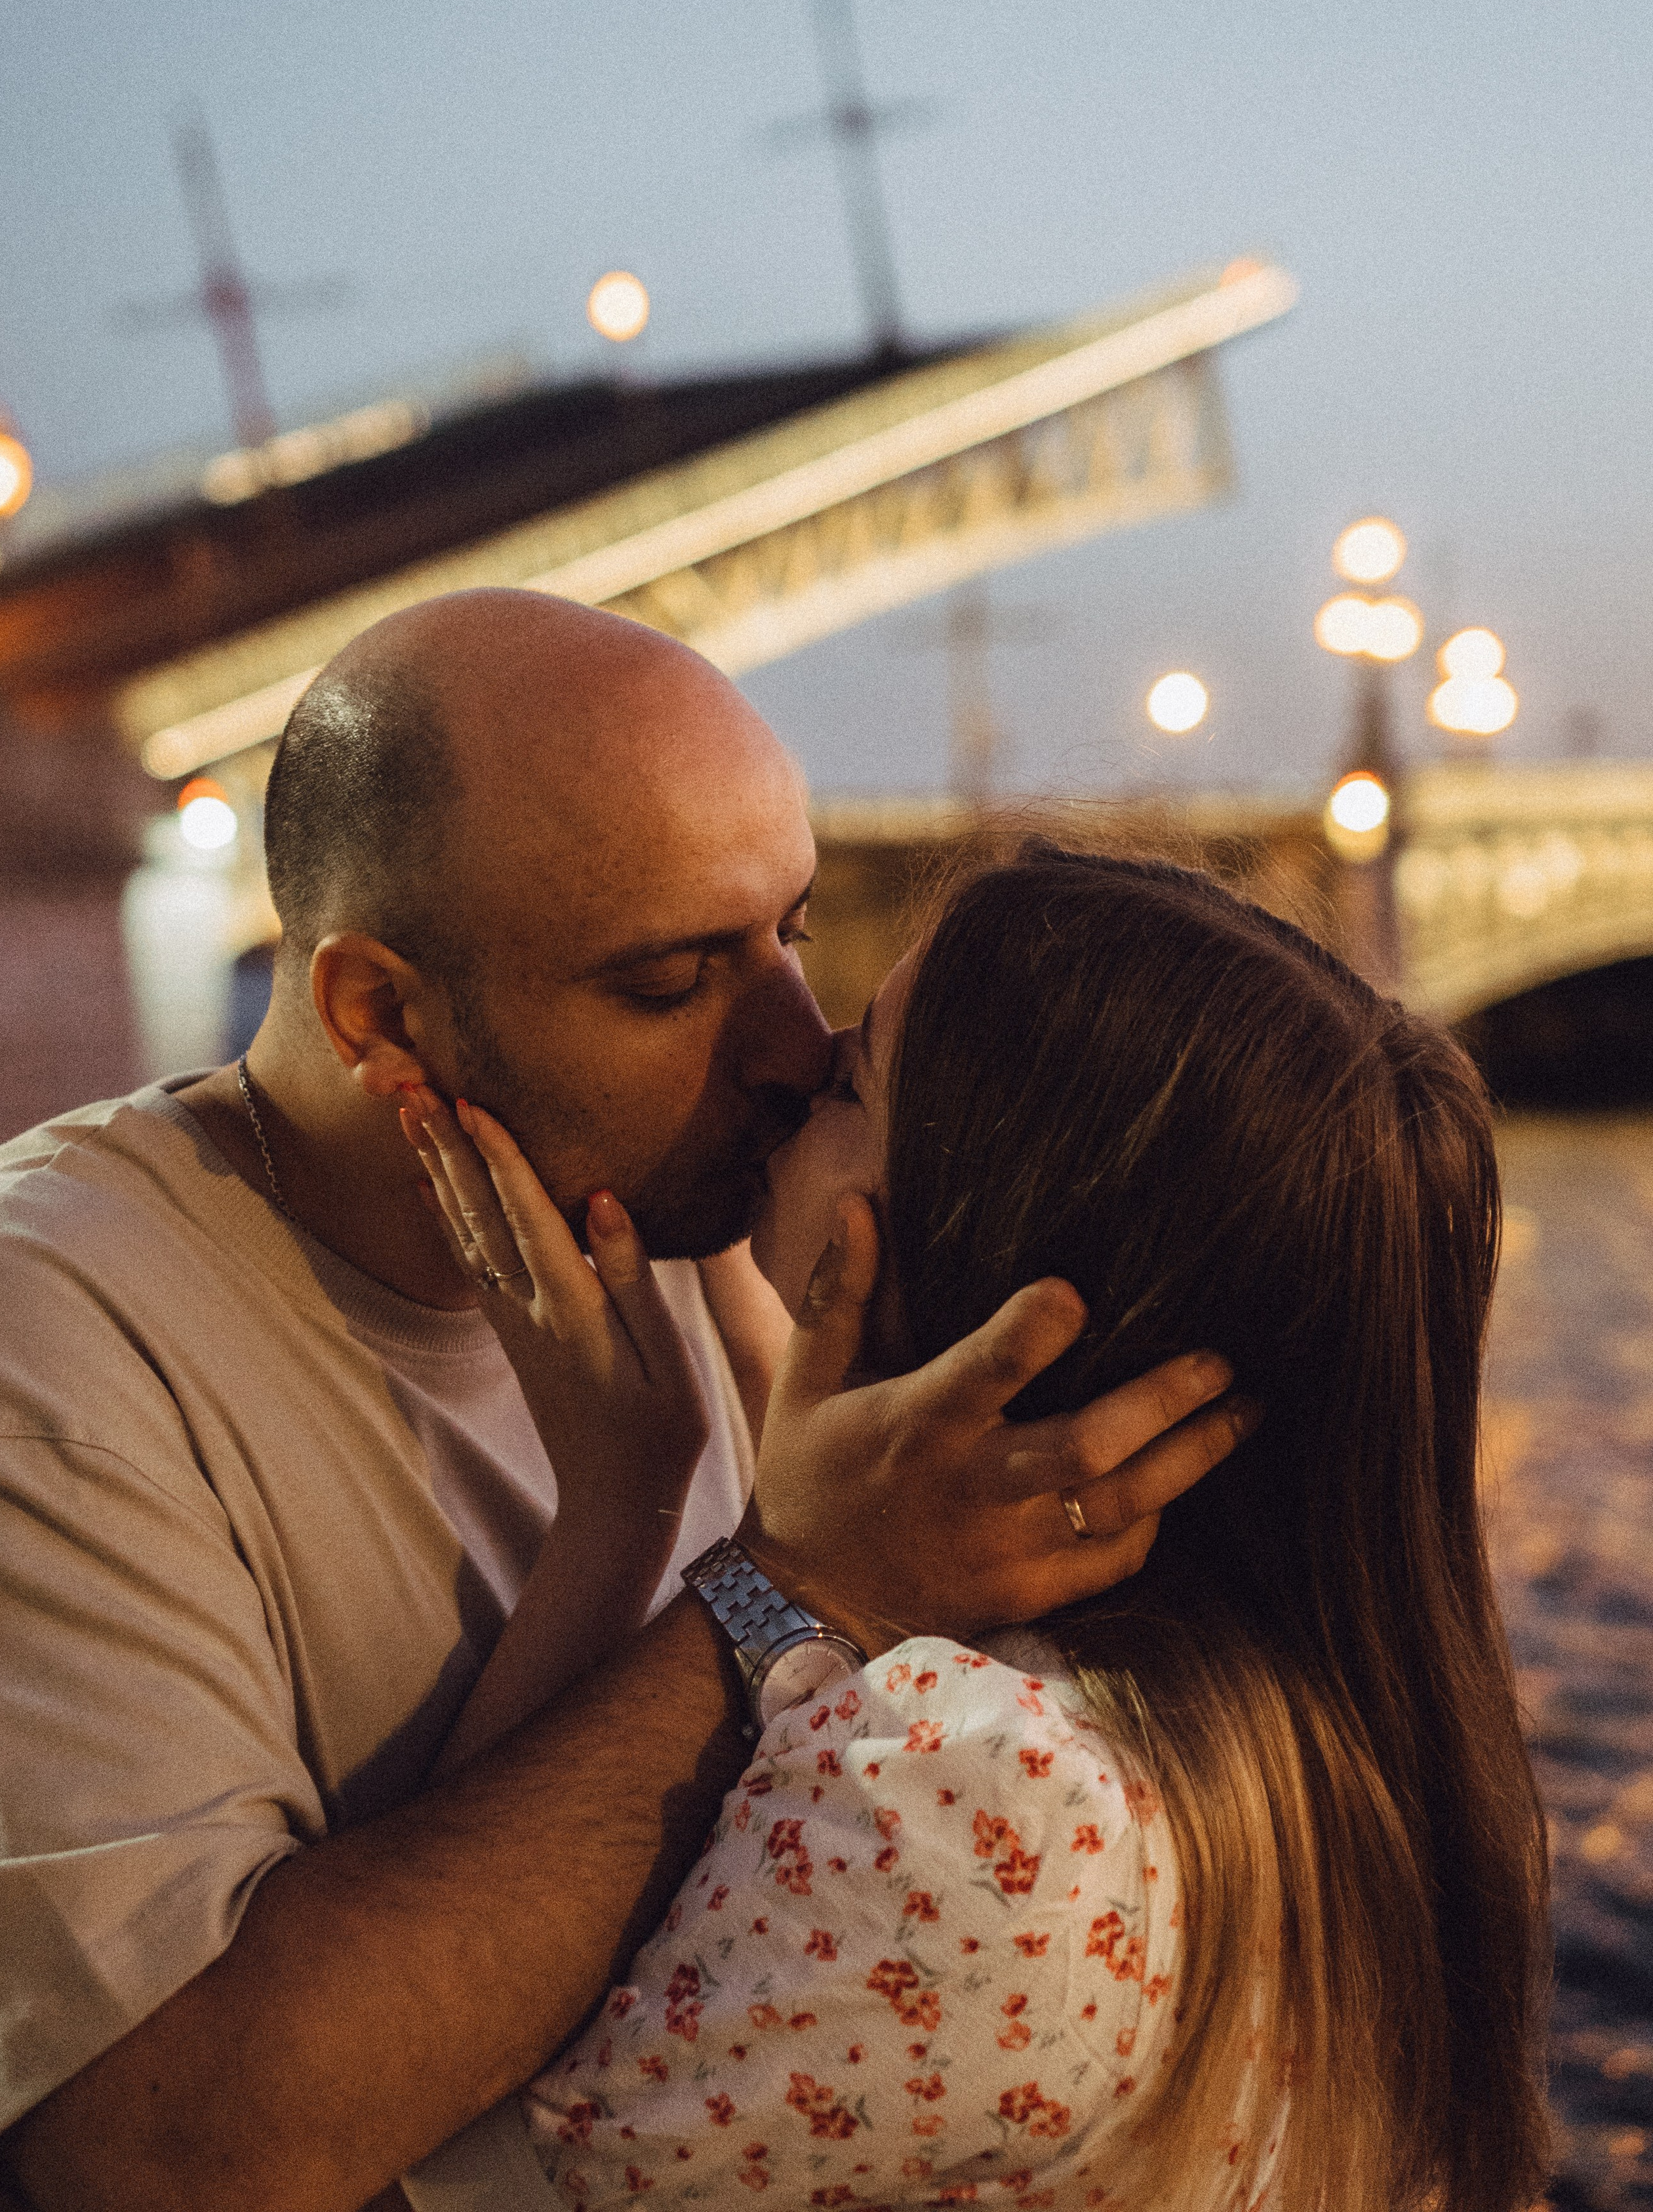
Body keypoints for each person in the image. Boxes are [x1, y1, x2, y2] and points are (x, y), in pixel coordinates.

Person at [0, 595, 1252, 2212]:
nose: (799, 1048)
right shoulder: (44, 1345)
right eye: (672, 979)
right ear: (380, 1012)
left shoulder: (681, 1222)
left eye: (790, 930)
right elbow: (161, 2163)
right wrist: (788, 1589)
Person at [393, 842, 1551, 2212]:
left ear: (996, 1253)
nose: (787, 1071)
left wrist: (637, 1518)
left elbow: (403, 2143)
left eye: (855, 1081)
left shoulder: (979, 1797)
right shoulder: (1302, 1742)